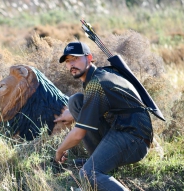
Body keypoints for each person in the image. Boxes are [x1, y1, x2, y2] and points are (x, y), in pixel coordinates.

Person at [54, 41, 153, 191]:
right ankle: (99, 160)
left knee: (88, 173)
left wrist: (59, 150)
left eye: (75, 58)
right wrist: (72, 113)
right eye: (68, 61)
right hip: (122, 130)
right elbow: (87, 107)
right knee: (76, 101)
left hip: (133, 138)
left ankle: (96, 168)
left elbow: (78, 134)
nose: (71, 64)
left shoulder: (96, 83)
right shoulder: (99, 75)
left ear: (89, 58)